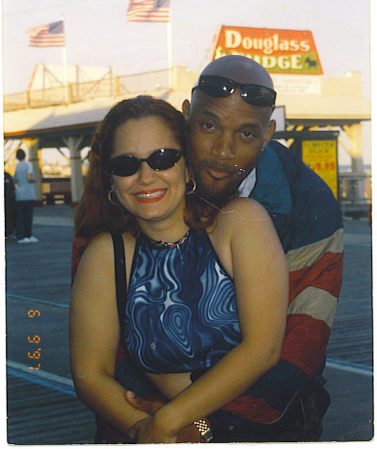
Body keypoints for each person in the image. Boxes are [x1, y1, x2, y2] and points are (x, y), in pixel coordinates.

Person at [123, 55, 344, 440]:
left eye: (245, 134)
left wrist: (199, 423)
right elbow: (106, 320)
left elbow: (300, 345)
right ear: (187, 114)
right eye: (209, 125)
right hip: (145, 412)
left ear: (269, 132)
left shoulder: (310, 205)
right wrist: (175, 416)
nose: (223, 150)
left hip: (266, 420)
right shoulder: (140, 179)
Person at [70, 95, 288, 443]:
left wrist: (171, 420)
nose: (145, 177)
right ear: (110, 178)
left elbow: (262, 349)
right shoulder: (106, 256)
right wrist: (145, 429)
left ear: (187, 166)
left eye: (162, 158)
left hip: (255, 431)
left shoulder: (239, 223)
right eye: (126, 164)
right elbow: (90, 373)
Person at [14, 149, 38, 243]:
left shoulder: (17, 166)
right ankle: (29, 235)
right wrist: (35, 180)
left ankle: (21, 236)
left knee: (20, 216)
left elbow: (15, 179)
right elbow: (29, 177)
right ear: (25, 155)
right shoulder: (29, 164)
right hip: (28, 194)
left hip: (19, 194)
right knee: (28, 216)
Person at [4, 168, 16, 238]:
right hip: (9, 201)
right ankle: (9, 232)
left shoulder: (8, 176)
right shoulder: (8, 176)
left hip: (8, 201)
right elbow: (13, 188)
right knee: (9, 217)